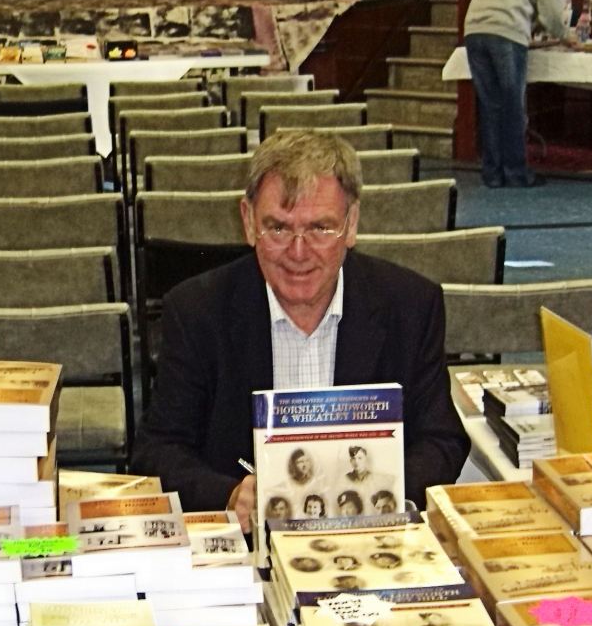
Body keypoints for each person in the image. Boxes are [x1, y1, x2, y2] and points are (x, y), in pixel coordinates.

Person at [133, 131, 470, 531]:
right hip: (251, 543)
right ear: (248, 221)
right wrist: (228, 495)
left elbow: (442, 440)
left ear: (351, 224)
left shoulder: (410, 305)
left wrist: (382, 494)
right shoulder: (196, 311)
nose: (298, 252)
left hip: (371, 533)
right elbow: (157, 451)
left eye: (320, 229)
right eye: (278, 228)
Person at [463, 0, 576, 188]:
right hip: (506, 33)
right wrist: (565, 35)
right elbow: (550, 9)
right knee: (512, 105)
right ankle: (516, 172)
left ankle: (492, 173)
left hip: (474, 30)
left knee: (490, 105)